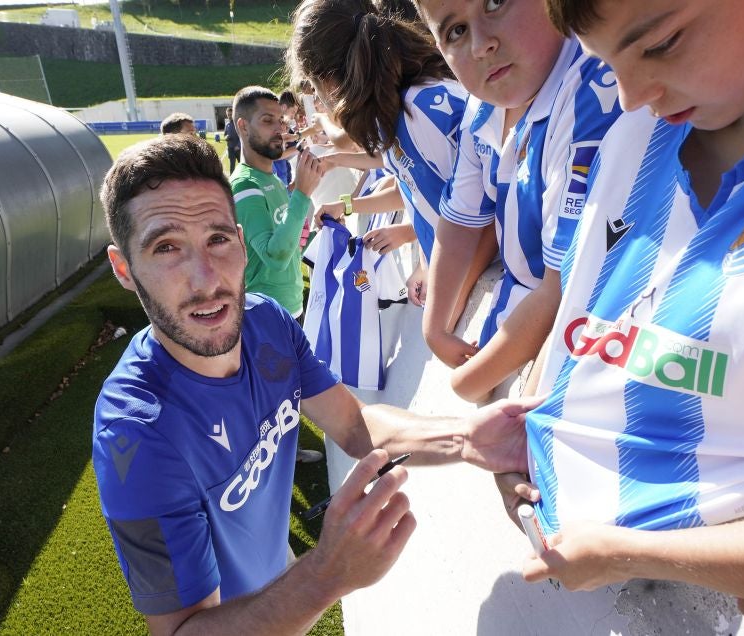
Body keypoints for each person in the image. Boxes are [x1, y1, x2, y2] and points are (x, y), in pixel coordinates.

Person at [504, 1, 744, 632]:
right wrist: (527, 430)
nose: (631, 96)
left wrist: (637, 554)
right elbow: (580, 320)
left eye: (662, 44)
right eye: (605, 63)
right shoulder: (640, 135)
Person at [92, 134, 539, 635]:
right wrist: (323, 577)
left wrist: (466, 438)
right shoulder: (136, 434)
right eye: (167, 247)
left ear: (241, 241)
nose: (206, 279)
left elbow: (353, 423)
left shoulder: (266, 323)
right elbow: (182, 630)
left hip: (275, 582)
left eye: (217, 239)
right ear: (124, 269)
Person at [414, 0, 622, 403]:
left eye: (495, 3)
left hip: (578, 350)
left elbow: (565, 287)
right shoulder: (483, 104)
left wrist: (466, 382)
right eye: (455, 31)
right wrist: (434, 327)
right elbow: (462, 220)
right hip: (518, 325)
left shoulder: (590, 90)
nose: (480, 45)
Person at [287, 0, 498, 319]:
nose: (320, 102)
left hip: (487, 293)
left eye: (315, 91)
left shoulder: (419, 111)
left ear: (327, 80)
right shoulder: (395, 112)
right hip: (466, 287)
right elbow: (418, 189)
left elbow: (487, 219)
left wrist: (442, 312)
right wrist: (429, 265)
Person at [230, 85, 321, 322]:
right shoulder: (244, 185)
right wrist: (302, 192)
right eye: (267, 120)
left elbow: (284, 245)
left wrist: (296, 240)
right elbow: (275, 257)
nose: (280, 128)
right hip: (266, 317)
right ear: (243, 126)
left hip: (290, 307)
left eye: (280, 120)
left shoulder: (272, 179)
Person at [223, 107, 241, 174]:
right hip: (230, 149)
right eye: (228, 115)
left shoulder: (238, 124)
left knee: (242, 165)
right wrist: (226, 137)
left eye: (231, 114)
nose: (229, 116)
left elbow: (241, 136)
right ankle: (231, 181)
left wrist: (238, 146)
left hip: (238, 149)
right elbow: (224, 135)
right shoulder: (227, 125)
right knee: (232, 165)